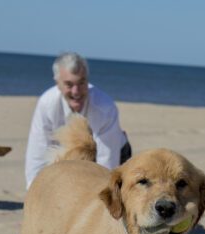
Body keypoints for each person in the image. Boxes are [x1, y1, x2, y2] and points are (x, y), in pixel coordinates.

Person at [24, 52, 131, 188]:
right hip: (69, 153)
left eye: (81, 83)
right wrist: (34, 191)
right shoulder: (47, 104)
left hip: (115, 151)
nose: (76, 91)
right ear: (57, 83)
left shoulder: (105, 107)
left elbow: (107, 161)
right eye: (69, 84)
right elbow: (37, 153)